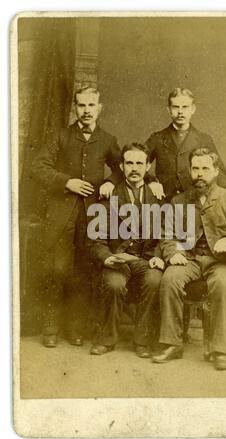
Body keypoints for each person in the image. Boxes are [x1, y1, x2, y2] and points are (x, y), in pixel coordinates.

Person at [31, 86, 122, 347]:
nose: (86, 110)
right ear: (75, 107)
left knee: (83, 271)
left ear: (99, 108)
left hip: (91, 215)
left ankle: (75, 326)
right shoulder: (60, 136)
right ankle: (50, 326)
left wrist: (110, 182)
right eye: (81, 105)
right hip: (60, 214)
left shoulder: (107, 139)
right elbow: (38, 167)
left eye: (91, 105)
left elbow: (121, 168)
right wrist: (66, 182)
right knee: (57, 269)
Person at [152, 147, 226, 370]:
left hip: (220, 262)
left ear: (216, 170)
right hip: (188, 259)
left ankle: (220, 349)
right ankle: (172, 344)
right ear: (190, 171)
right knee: (170, 278)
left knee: (224, 284)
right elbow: (167, 235)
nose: (199, 174)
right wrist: (173, 253)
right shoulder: (179, 201)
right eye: (195, 168)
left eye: (205, 169)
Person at [90, 143, 164, 358]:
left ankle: (142, 340)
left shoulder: (157, 198)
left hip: (146, 260)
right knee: (114, 284)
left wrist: (157, 257)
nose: (134, 168)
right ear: (121, 166)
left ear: (148, 166)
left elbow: (166, 236)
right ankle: (107, 339)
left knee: (154, 281)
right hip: (118, 260)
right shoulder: (108, 198)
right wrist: (106, 258)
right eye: (129, 163)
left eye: (140, 163)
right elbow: (96, 240)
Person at [145, 88, 226, 201]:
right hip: (164, 203)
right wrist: (151, 181)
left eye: (185, 107)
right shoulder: (157, 138)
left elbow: (219, 173)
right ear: (169, 110)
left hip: (194, 202)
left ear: (193, 109)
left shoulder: (204, 139)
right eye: (175, 107)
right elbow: (135, 162)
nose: (180, 111)